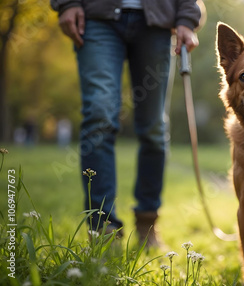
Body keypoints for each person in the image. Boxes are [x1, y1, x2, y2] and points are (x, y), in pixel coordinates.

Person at [50, 0, 201, 248]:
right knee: (99, 116)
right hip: (96, 16)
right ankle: (102, 229)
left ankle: (147, 222)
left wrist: (187, 17)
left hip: (157, 20)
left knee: (154, 127)